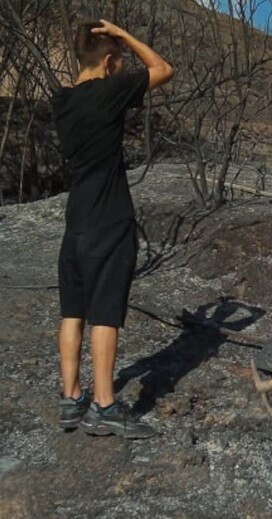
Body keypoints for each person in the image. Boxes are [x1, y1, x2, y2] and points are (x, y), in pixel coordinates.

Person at [52, 19, 173, 438]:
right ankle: (104, 405)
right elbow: (163, 69)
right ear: (108, 61)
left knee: (73, 311)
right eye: (117, 62)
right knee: (105, 313)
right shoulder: (110, 90)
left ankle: (71, 398)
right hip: (110, 219)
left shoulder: (61, 101)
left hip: (76, 224)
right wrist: (125, 36)